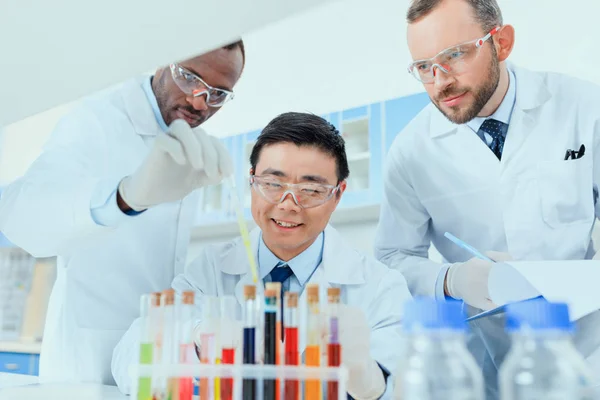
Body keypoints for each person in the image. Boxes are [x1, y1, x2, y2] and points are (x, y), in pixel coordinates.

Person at [374, 0, 600, 397]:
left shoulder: (583, 107)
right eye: (424, 67)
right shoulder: (410, 150)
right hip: (478, 359)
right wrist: (452, 279)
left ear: (502, 42)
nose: (439, 81)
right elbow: (391, 259)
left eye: (454, 55)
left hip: (586, 348)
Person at [112, 112, 413, 399]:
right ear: (251, 181)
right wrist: (197, 336)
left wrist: (374, 383)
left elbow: (416, 381)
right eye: (272, 184)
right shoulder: (212, 270)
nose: (288, 204)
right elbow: (127, 359)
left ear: (338, 194)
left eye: (310, 189)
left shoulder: (380, 286)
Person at [0, 40, 245, 385]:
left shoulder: (190, 145)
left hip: (153, 364)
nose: (199, 101)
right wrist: (125, 197)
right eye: (190, 78)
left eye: (218, 93)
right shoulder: (97, 121)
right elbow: (21, 219)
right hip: (87, 368)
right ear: (162, 61)